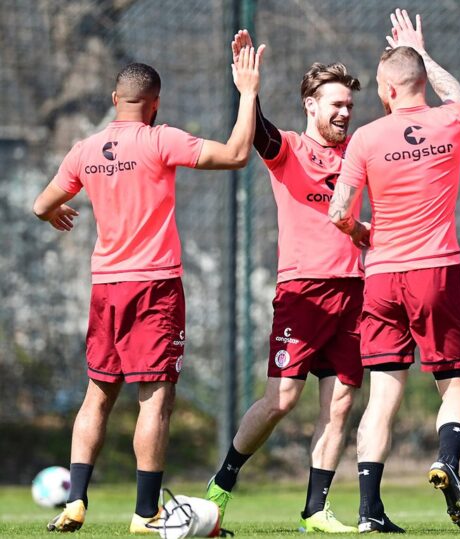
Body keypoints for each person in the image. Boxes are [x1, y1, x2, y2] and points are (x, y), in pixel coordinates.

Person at [32, 31, 264, 534]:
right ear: (155, 104)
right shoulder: (161, 139)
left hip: (105, 287)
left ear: (115, 100)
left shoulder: (84, 149)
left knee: (98, 394)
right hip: (154, 287)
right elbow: (238, 154)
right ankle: (145, 513)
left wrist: (56, 214)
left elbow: (40, 204)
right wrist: (247, 92)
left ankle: (75, 503)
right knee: (155, 398)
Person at [204, 31, 366, 534]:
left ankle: (315, 510)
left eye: (350, 105)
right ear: (310, 105)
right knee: (282, 401)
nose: (344, 113)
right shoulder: (290, 149)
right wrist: (248, 91)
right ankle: (220, 487)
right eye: (336, 104)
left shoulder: (359, 155)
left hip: (355, 292)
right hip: (302, 293)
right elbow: (258, 136)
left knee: (339, 403)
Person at [329, 9, 460, 533]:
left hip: (383, 276)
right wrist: (425, 53)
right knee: (454, 386)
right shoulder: (452, 122)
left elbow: (338, 212)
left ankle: (369, 511)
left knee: (383, 394)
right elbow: (456, 95)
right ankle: (447, 462)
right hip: (436, 272)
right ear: (419, 83)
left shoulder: (366, 139)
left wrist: (363, 234)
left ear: (387, 90)